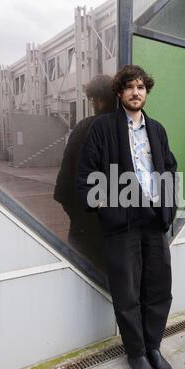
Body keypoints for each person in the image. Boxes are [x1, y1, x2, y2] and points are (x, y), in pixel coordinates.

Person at [77, 65, 178, 369]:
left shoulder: (158, 130)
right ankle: (136, 353)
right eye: (130, 87)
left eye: (141, 87)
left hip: (154, 219)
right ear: (119, 93)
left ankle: (153, 347)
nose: (136, 92)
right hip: (122, 223)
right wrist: (105, 206)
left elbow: (171, 168)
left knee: (159, 288)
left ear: (146, 92)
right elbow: (86, 172)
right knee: (127, 291)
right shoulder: (103, 128)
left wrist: (169, 207)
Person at [54, 75, 116, 272]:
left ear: (98, 100)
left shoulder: (83, 129)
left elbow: (64, 185)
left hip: (84, 233)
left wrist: (79, 217)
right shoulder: (129, 128)